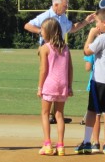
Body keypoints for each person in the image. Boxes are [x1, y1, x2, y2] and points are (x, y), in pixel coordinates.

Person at [24, 0, 95, 124]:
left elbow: (72, 28)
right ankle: (52, 113)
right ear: (56, 5)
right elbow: (27, 25)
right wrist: (41, 31)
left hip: (60, 49)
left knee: (59, 76)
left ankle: (56, 112)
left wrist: (86, 21)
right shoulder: (46, 16)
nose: (66, 8)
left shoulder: (62, 17)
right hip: (48, 48)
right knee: (48, 74)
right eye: (64, 6)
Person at [75, 8, 105, 155]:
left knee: (92, 110)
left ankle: (87, 142)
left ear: (104, 22)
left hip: (101, 80)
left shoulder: (103, 38)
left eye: (97, 21)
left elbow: (87, 51)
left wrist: (91, 35)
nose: (96, 25)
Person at [37, 18, 73, 156]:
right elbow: (70, 68)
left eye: (42, 29)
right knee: (59, 115)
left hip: (50, 84)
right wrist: (69, 86)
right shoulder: (65, 47)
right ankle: (61, 145)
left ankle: (47, 144)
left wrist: (40, 87)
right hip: (62, 84)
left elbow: (43, 70)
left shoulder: (45, 48)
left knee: (45, 113)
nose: (40, 32)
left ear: (48, 32)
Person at [81, 54, 103, 153]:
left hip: (96, 82)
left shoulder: (94, 47)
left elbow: (87, 67)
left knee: (95, 113)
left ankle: (96, 142)